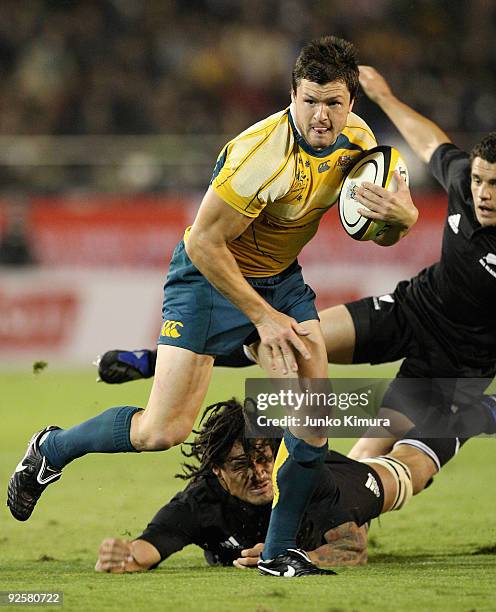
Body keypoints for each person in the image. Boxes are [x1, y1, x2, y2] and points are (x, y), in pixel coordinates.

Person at [7, 39, 417, 578]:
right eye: (311, 100)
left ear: (351, 104)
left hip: (279, 277)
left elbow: (379, 233)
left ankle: (277, 552)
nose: (322, 115)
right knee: (163, 430)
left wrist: (404, 218)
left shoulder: (361, 145)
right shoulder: (260, 156)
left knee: (313, 403)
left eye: (334, 103)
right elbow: (202, 243)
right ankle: (52, 448)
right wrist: (263, 319)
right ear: (291, 96)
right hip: (207, 278)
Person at [96, 65, 496, 459]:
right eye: (481, 181)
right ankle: (163, 361)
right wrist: (386, 98)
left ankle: (322, 491)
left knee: (367, 459)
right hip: (413, 309)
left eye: (492, 185)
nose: (483, 192)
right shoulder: (465, 182)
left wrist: (407, 220)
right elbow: (430, 145)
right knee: (297, 344)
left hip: (461, 358)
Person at [94, 399, 444, 574]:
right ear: (216, 471)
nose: (260, 473)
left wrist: (293, 557)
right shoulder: (200, 503)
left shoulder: (306, 483)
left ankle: (469, 412)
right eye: (241, 465)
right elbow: (147, 547)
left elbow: (354, 548)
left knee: (410, 470)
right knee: (369, 450)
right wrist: (125, 557)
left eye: (265, 459)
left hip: (339, 493)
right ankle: (399, 407)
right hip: (322, 502)